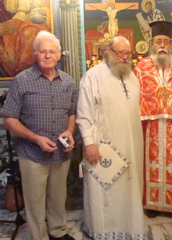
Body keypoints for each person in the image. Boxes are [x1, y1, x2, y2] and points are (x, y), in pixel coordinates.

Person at [1, 31, 76, 240]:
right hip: (32, 154)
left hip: (61, 153)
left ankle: (58, 231)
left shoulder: (68, 82)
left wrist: (69, 131)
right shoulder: (21, 81)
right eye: (42, 51)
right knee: (35, 200)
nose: (47, 55)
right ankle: (39, 236)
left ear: (59, 55)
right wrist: (35, 138)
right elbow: (9, 119)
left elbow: (72, 112)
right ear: (34, 54)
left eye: (52, 51)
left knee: (58, 197)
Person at [77, 36, 146, 239]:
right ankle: (102, 231)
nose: (124, 57)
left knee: (129, 190)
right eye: (120, 53)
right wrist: (89, 144)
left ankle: (130, 227)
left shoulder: (132, 77)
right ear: (108, 51)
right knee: (105, 190)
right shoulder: (93, 76)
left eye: (128, 54)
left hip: (131, 145)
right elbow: (84, 113)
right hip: (103, 147)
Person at [134, 21, 172, 218]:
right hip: (149, 125)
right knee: (149, 165)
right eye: (158, 41)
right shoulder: (141, 67)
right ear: (152, 43)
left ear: (171, 44)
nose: (162, 46)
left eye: (166, 42)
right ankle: (152, 204)